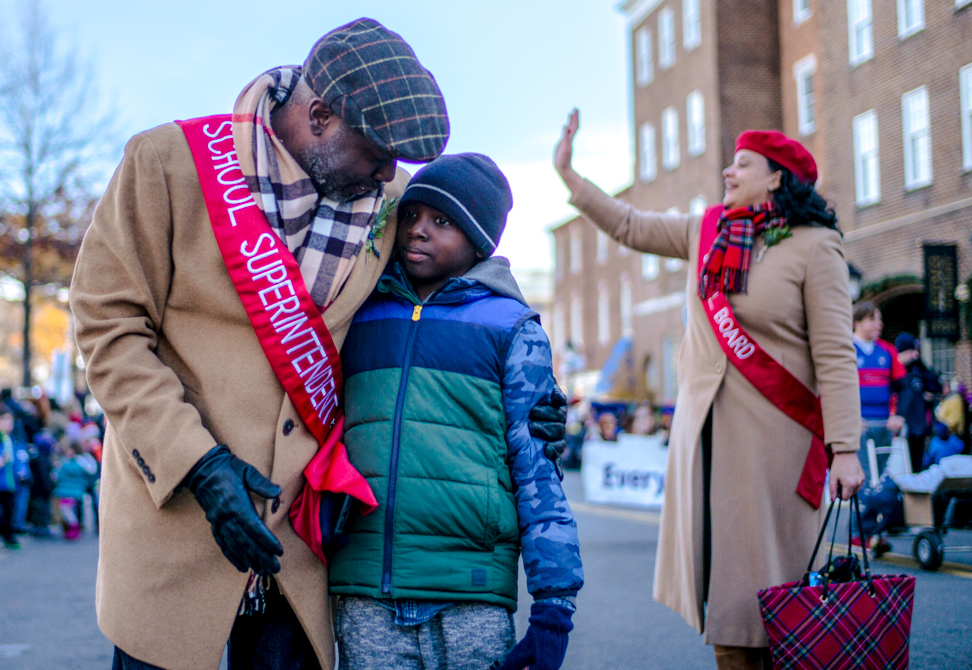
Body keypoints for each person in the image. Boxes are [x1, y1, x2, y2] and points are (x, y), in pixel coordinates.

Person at [71, 19, 564, 670]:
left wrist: (524, 392)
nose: (393, 172)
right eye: (380, 150)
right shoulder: (166, 164)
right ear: (322, 116)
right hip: (179, 516)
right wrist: (198, 464)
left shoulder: (387, 201)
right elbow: (108, 329)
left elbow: (446, 290)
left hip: (301, 544)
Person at [554, 110, 864, 669]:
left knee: (775, 599)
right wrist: (570, 176)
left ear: (776, 177)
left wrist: (844, 448)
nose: (728, 170)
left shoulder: (816, 246)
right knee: (726, 597)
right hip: (707, 443)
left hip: (778, 443)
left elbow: (836, 354)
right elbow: (628, 224)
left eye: (742, 163)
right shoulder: (708, 230)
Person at [329, 153, 582, 670]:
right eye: (413, 215)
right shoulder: (354, 310)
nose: (418, 231)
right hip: (364, 588)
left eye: (442, 222)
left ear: (478, 240)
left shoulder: (512, 328)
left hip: (471, 592)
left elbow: (539, 473)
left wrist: (554, 604)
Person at [852, 301, 907, 483]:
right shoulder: (847, 350)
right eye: (872, 319)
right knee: (864, 476)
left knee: (883, 474)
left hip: (884, 423)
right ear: (857, 323)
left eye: (879, 319)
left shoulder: (887, 350)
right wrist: (850, 418)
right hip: (859, 425)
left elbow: (902, 387)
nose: (879, 324)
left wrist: (897, 415)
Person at [893, 332, 941, 472]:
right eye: (911, 351)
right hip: (900, 427)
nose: (915, 355)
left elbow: (934, 385)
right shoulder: (896, 373)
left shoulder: (918, 371)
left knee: (916, 466)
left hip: (918, 427)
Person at [53, 438, 99, 540]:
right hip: (73, 490)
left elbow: (57, 475)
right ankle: (73, 527)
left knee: (66, 509)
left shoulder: (70, 462)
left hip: (69, 490)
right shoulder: (76, 461)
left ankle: (74, 527)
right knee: (69, 510)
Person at [0, 407, 19, 549]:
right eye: (4, 421)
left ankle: (9, 537)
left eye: (9, 421)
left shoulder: (11, 439)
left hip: (10, 482)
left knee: (9, 510)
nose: (7, 424)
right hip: (2, 481)